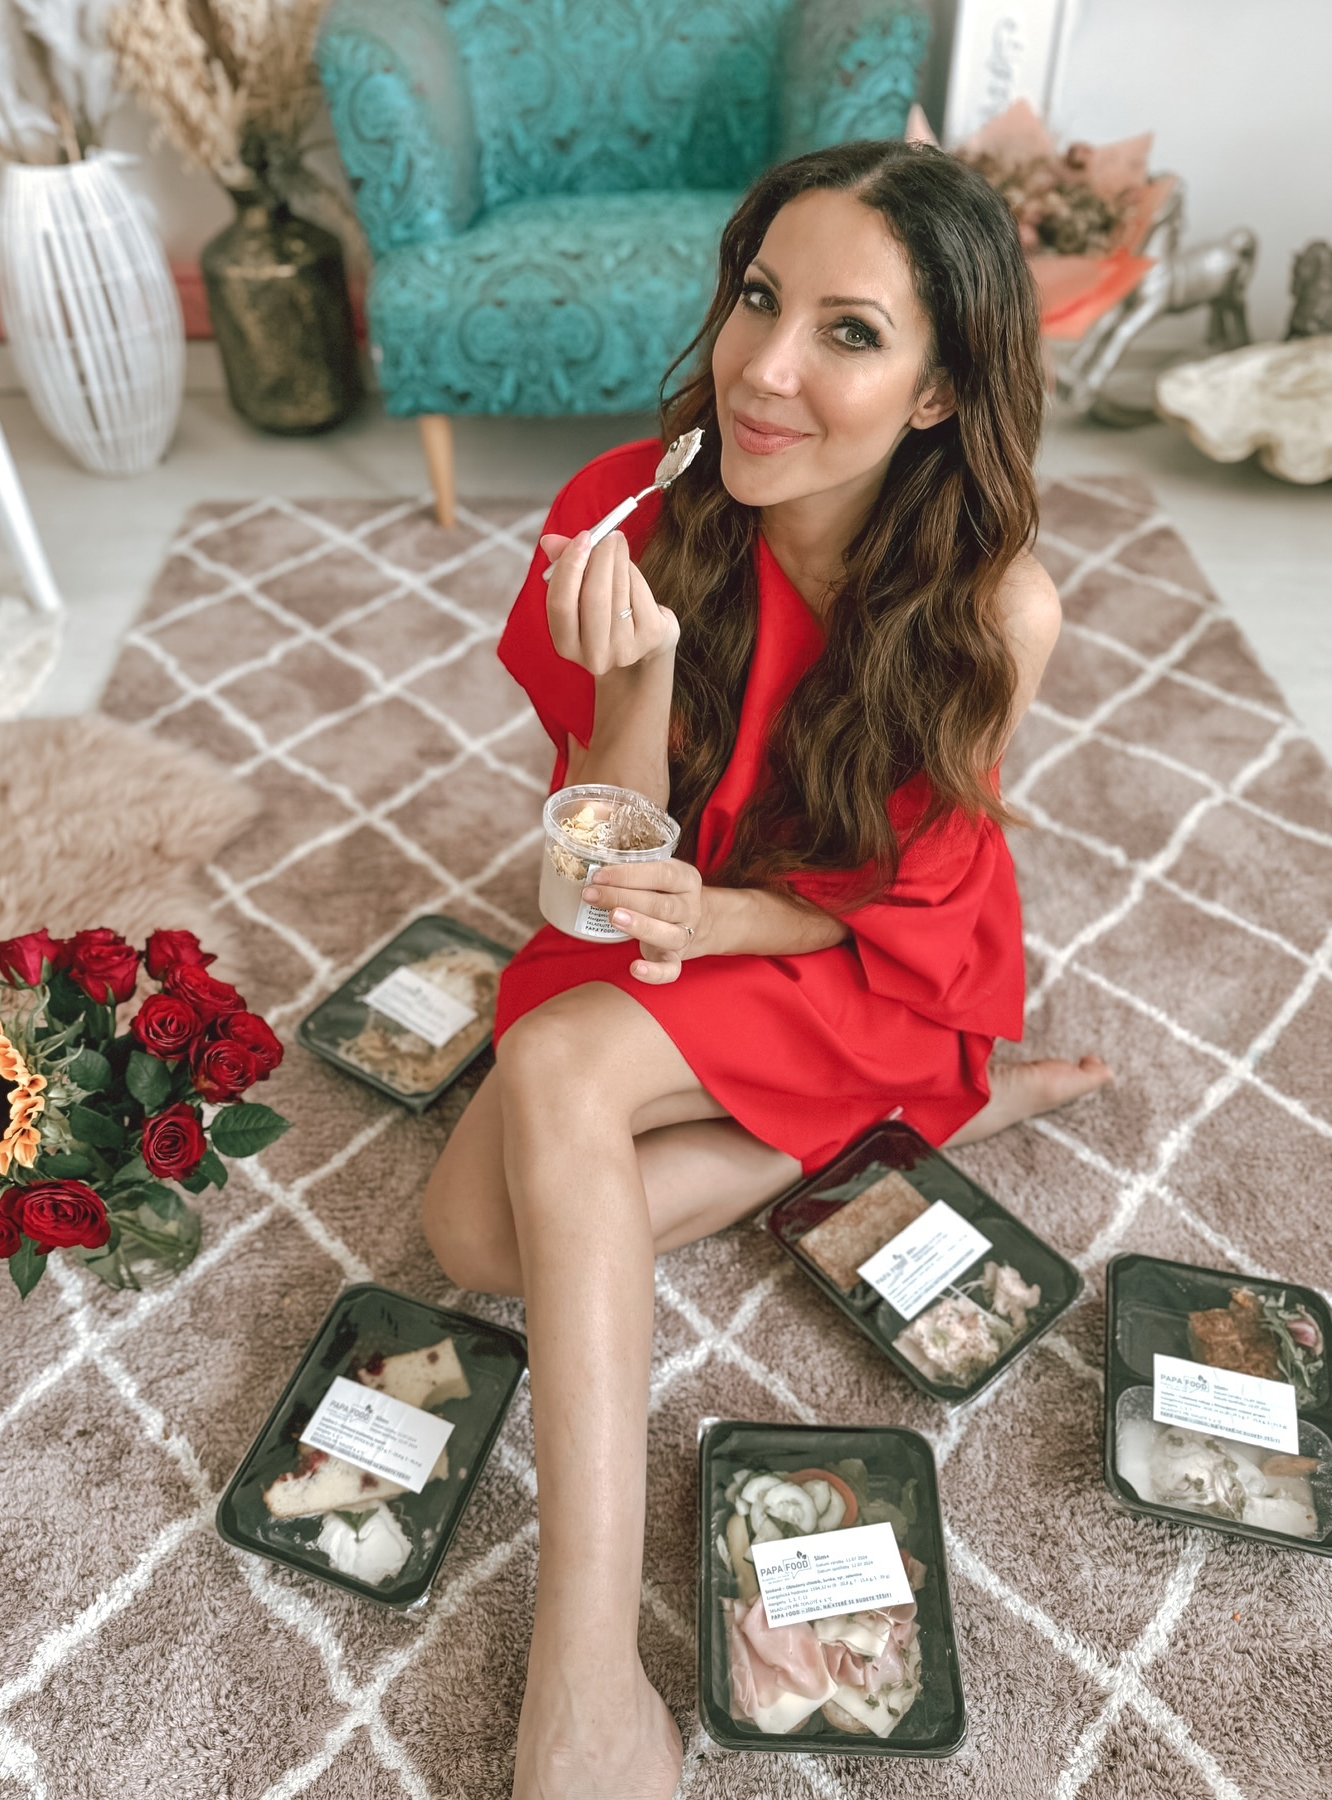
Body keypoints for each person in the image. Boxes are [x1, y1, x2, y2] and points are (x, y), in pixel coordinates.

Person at [422, 139, 1112, 1800]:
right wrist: (640, 676)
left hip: (858, 940)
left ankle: (584, 1671)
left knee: (561, 1072)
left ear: (940, 392)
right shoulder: (626, 506)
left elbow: (886, 891)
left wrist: (723, 924)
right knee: (467, 1236)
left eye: (848, 332)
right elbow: (600, 877)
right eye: (756, 298)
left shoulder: (997, 609)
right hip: (667, 905)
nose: (764, 367)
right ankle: (912, 1119)